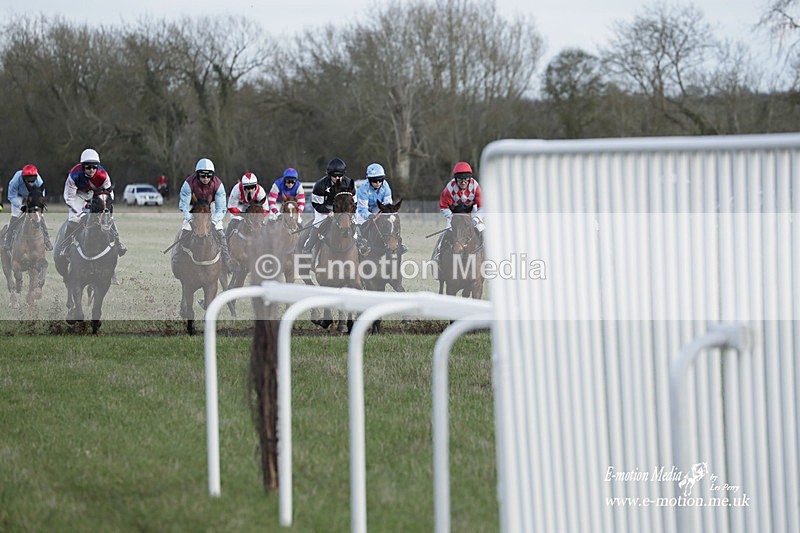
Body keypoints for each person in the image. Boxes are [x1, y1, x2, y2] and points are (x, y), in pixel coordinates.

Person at [61, 148, 126, 257]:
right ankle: (65, 246)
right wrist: (80, 213)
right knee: (74, 218)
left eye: (94, 167)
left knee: (108, 218)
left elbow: (110, 193)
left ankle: (118, 243)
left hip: (97, 193)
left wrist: (106, 208)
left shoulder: (103, 175)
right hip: (79, 194)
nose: (91, 170)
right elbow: (69, 197)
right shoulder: (74, 175)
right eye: (88, 167)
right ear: (83, 167)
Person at [177, 157, 234, 272]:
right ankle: (178, 256)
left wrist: (213, 222)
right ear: (197, 175)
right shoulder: (188, 184)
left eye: (209, 176)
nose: (206, 178)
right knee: (186, 228)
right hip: (194, 207)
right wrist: (190, 220)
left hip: (211, 207)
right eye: (203, 176)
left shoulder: (218, 185)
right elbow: (184, 206)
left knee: (219, 230)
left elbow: (221, 208)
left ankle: (226, 260)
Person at [301, 157, 354, 255]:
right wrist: (328, 212)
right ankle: (309, 247)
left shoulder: (349, 183)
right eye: (334, 176)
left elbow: (354, 203)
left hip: (343, 209)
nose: (337, 178)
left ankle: (360, 243)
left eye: (340, 175)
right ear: (329, 175)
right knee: (317, 222)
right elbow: (317, 204)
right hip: (324, 207)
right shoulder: (320, 185)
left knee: (353, 221)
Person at [433, 161, 484, 261]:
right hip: (454, 213)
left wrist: (476, 219)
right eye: (460, 179)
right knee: (448, 232)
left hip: (471, 212)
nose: (463, 182)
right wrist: (453, 218)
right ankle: (438, 254)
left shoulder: (476, 187)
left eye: (466, 179)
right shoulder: (449, 188)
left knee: (483, 230)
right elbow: (443, 207)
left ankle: (490, 257)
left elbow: (482, 207)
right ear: (456, 179)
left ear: (469, 179)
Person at [354, 162, 407, 255]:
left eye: (380, 180)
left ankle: (397, 243)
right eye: (374, 180)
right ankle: (361, 242)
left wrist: (385, 214)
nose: (378, 183)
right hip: (362, 208)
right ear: (369, 180)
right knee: (360, 221)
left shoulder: (386, 187)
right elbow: (362, 209)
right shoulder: (363, 189)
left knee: (390, 219)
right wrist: (370, 216)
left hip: (377, 206)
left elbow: (387, 205)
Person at [3, 164, 53, 251]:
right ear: (23, 177)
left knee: (39, 216)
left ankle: (47, 240)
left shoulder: (39, 181)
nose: (30, 182)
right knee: (16, 214)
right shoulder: (16, 180)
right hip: (17, 195)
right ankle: (8, 240)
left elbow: (41, 196)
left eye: (32, 180)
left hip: (32, 195)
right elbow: (11, 196)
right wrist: (21, 206)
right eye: (28, 180)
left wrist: (38, 206)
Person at [227, 171, 267, 236]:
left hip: (255, 209)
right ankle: (225, 242)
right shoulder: (236, 190)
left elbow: (266, 210)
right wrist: (242, 214)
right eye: (247, 188)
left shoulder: (261, 192)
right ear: (243, 186)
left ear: (256, 185)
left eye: (252, 187)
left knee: (261, 225)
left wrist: (257, 217)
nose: (250, 190)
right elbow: (231, 207)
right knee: (233, 222)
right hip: (240, 206)